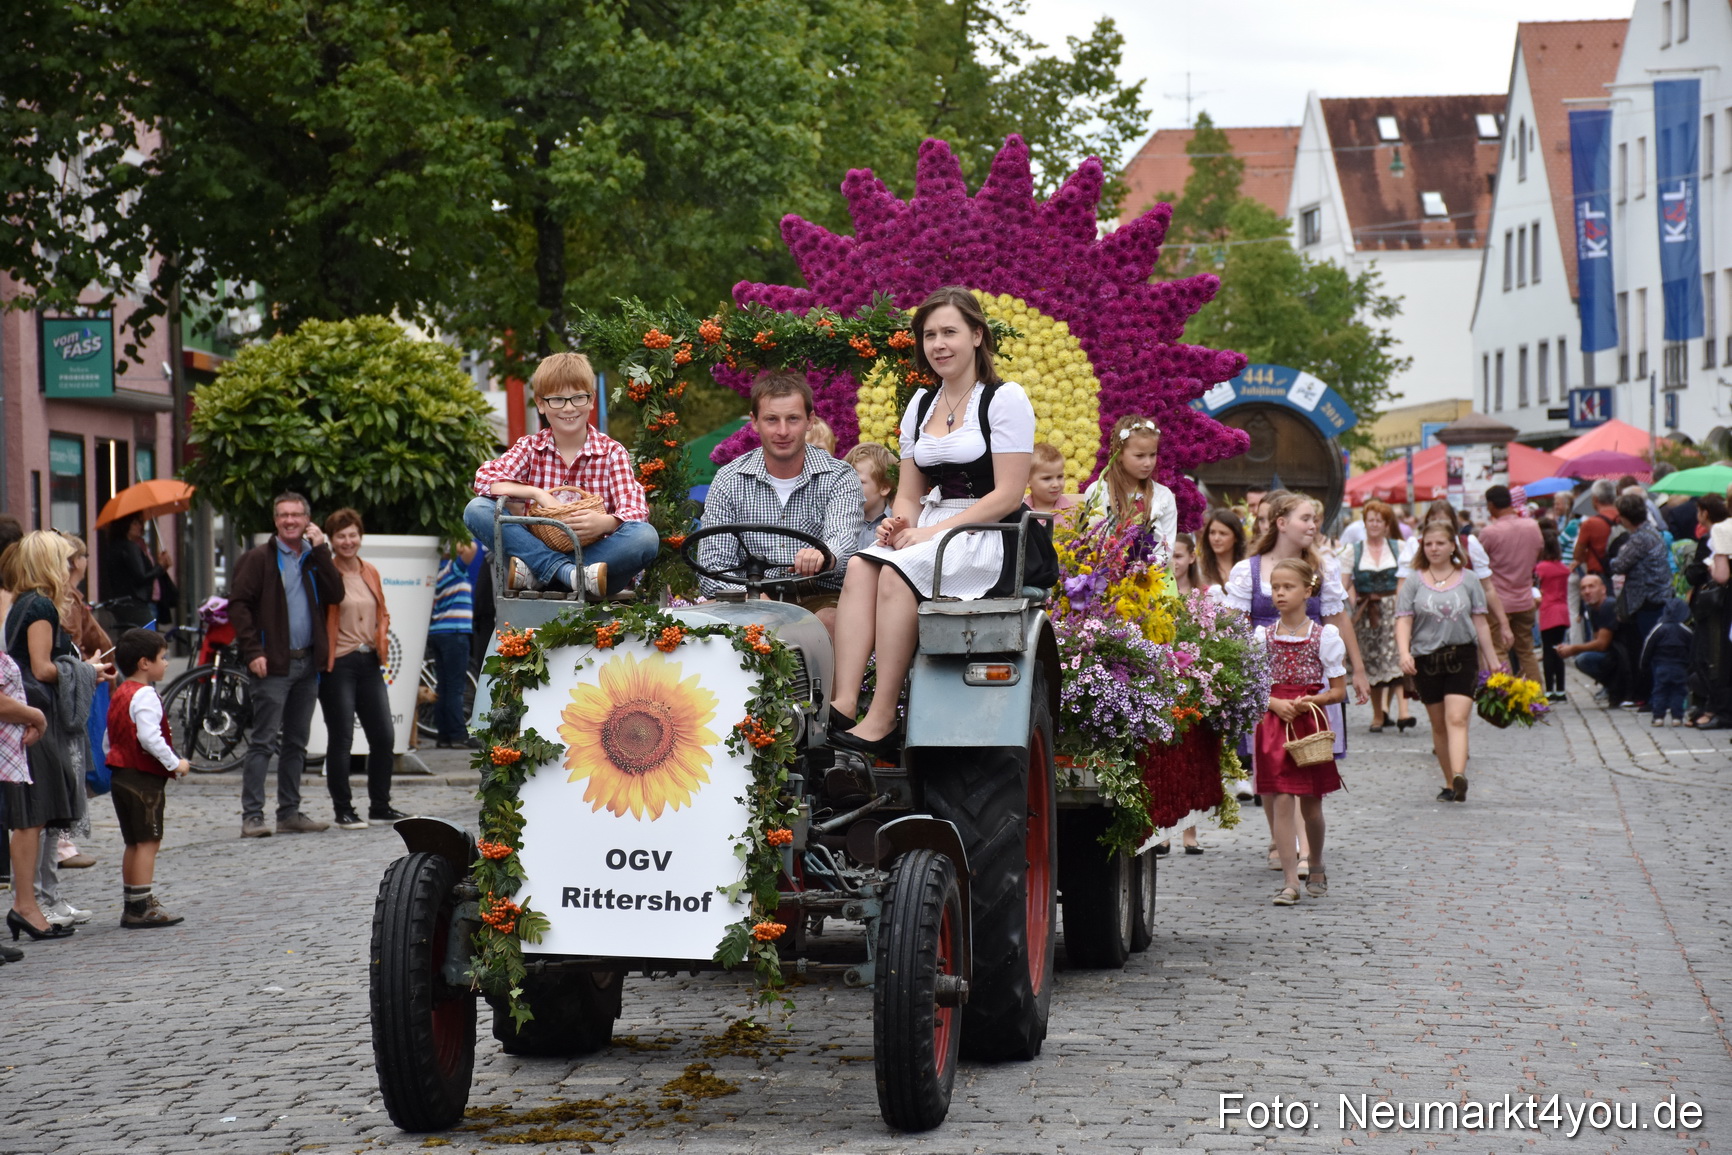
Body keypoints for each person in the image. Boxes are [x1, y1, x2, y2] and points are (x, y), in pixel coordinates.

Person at [829, 286, 1035, 755]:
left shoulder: (1003, 399)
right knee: (863, 564)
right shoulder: (921, 404)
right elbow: (907, 493)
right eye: (929, 335)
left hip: (987, 532)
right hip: (932, 525)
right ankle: (843, 702)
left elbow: (1008, 494)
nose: (938, 344)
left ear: (977, 335)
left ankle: (882, 718)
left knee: (897, 579)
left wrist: (928, 533)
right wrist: (897, 526)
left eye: (950, 332)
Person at [1220, 491, 1371, 874]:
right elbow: (1233, 632)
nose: (1313, 525)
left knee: (1307, 763)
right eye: (1306, 518)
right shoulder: (1248, 571)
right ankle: (1280, 838)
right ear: (1281, 522)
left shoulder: (1323, 567)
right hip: (1267, 681)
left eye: (1315, 519)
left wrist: (1357, 669)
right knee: (1270, 770)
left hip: (1311, 682)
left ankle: (1305, 851)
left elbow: (1338, 619)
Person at [466, 352, 657, 598]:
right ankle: (564, 573)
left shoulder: (611, 451)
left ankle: (547, 572)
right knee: (477, 509)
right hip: (545, 558)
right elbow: (483, 478)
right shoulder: (530, 447)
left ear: (591, 400)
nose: (568, 408)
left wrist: (606, 523)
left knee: (645, 537)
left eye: (577, 398)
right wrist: (536, 494)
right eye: (557, 399)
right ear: (541, 403)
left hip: (592, 569)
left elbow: (637, 510)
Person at [696, 370, 865, 637]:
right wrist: (754, 598)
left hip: (819, 595)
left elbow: (843, 541)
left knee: (831, 619)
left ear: (810, 421)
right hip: (751, 595)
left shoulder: (839, 476)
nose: (783, 431)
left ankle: (830, 681)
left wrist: (824, 555)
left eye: (793, 419)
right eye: (772, 420)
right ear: (754, 422)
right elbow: (713, 567)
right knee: (698, 623)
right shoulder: (729, 479)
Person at [3, 532, 104, 940]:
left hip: (27, 706)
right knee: (33, 813)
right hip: (35, 710)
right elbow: (42, 668)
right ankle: (27, 904)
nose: (69, 568)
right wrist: (86, 671)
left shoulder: (21, 602)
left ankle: (29, 903)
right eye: (64, 561)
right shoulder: (40, 603)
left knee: (35, 814)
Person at [229, 491, 343, 838]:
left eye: (296, 515)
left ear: (307, 520)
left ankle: (289, 812)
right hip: (272, 664)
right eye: (283, 515)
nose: (289, 521)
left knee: (296, 743)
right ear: (275, 520)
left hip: (307, 663)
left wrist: (322, 548)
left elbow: (336, 594)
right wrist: (253, 652)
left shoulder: (312, 556)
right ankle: (252, 816)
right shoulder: (258, 559)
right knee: (263, 741)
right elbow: (239, 606)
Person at [1251, 558, 1345, 906]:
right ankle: (1290, 881)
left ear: (1308, 591)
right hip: (1274, 722)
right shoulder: (1263, 636)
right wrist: (1273, 702)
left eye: (1288, 587)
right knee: (1281, 800)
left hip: (1308, 723)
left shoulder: (1324, 636)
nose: (1279, 593)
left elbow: (1339, 690)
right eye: (1275, 587)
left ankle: (1316, 862)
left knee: (1312, 804)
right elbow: (1254, 685)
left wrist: (1312, 699)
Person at [1395, 521, 1499, 804]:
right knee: (1438, 724)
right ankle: (1448, 782)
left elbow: (1480, 622)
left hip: (1461, 656)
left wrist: (1492, 660)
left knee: (1457, 718)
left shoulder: (1469, 580)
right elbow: (1404, 619)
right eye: (1428, 544)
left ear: (1453, 546)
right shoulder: (1414, 580)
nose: (1434, 548)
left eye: (1440, 543)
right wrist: (1404, 653)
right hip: (1426, 659)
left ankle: (1458, 775)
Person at [317, 508, 403, 829]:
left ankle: (380, 806)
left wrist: (381, 634)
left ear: (360, 536)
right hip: (339, 661)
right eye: (341, 536)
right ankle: (343, 809)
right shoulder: (327, 572)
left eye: (353, 534)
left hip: (370, 660)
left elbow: (383, 610)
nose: (348, 541)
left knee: (383, 735)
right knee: (341, 739)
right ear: (331, 540)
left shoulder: (370, 571)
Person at [103, 629, 190, 927]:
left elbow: (109, 736)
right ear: (144, 663)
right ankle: (141, 906)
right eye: (162, 657)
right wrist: (175, 763)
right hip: (143, 778)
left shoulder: (120, 693)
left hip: (120, 773)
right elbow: (150, 737)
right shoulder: (146, 695)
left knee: (133, 841)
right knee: (148, 842)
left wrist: (113, 756)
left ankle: (132, 902)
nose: (166, 663)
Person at [1396, 499, 1513, 653]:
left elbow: (1488, 587)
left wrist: (1503, 623)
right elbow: (1403, 589)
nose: (1439, 525)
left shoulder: (1468, 544)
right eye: (1434, 520)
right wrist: (1403, 623)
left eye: (1444, 520)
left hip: (1466, 626)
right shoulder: (1415, 545)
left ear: (1453, 522)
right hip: (1426, 626)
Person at [59, 533, 110, 871]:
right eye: (85, 556)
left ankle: (63, 840)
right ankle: (62, 843)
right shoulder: (65, 599)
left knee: (82, 763)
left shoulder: (73, 596)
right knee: (75, 763)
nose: (88, 561)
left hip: (89, 681)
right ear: (76, 561)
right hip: (78, 685)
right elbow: (71, 645)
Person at [1343, 499, 1410, 733]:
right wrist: (1353, 601)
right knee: (1373, 662)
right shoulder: (1353, 550)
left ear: (1386, 524)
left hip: (1393, 607)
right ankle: (1378, 714)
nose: (1374, 524)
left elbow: (1407, 580)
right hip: (1367, 611)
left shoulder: (1399, 548)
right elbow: (1345, 584)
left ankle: (1403, 711)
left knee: (1395, 658)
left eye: (1378, 520)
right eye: (1370, 520)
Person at [1159, 533, 1206, 857]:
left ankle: (1190, 830)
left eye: (1178, 555)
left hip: (1192, 679)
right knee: (1164, 756)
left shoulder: (1201, 595)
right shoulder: (1158, 591)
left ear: (1191, 557)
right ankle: (1163, 830)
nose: (1173, 562)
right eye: (1169, 556)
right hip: (1164, 676)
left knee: (1189, 757)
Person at [1607, 492, 1672, 708]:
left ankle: (1655, 699)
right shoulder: (1652, 533)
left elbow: (1618, 565)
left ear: (1625, 517)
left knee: (1650, 650)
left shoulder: (1639, 538)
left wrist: (1618, 555)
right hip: (1657, 598)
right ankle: (1652, 696)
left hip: (1647, 601)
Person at [1478, 484, 1545, 683]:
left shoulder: (1490, 532)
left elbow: (1478, 564)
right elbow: (1538, 554)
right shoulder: (1532, 526)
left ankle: (1506, 697)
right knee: (1526, 652)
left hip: (1498, 601)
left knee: (1499, 650)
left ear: (1491, 505)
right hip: (1525, 598)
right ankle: (1536, 699)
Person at [1078, 416, 1177, 550]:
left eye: (1152, 455)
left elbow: (1166, 547)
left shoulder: (1163, 496)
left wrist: (1143, 569)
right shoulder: (1099, 491)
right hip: (1103, 567)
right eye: (1139, 456)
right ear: (1119, 454)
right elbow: (1093, 541)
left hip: (1152, 569)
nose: (1148, 463)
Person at [1682, 494, 1730, 728]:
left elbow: (1718, 574)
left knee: (1710, 657)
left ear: (1705, 512)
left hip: (1717, 604)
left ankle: (1712, 708)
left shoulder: (1719, 533)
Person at [428, 534, 479, 749]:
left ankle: (444, 735)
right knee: (456, 687)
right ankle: (458, 734)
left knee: (444, 685)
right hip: (455, 632)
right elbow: (471, 548)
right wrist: (457, 531)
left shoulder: (435, 571)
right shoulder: (452, 568)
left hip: (438, 632)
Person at [99, 514, 172, 630]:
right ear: (125, 525)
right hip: (136, 604)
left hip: (122, 604)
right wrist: (160, 567)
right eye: (135, 523)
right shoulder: (130, 547)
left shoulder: (114, 547)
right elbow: (141, 577)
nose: (140, 526)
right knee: (148, 638)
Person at [1556, 573, 1621, 700]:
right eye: (1583, 588)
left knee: (1583, 659)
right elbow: (1596, 640)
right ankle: (1611, 685)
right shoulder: (1592, 609)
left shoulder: (1608, 605)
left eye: (1591, 587)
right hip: (1611, 653)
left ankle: (1614, 686)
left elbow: (1602, 644)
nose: (1587, 591)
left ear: (1603, 589)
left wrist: (1573, 649)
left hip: (1621, 655)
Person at [1641, 599, 1692, 727]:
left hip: (1661, 666)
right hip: (1680, 667)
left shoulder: (1659, 629)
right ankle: (1677, 717)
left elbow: (1648, 647)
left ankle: (1658, 717)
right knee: (1678, 691)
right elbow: (1694, 648)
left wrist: (1644, 664)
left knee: (1660, 691)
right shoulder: (1685, 630)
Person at [1535, 530, 1572, 701]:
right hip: (1562, 610)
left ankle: (1549, 689)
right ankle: (1561, 690)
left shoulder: (1541, 568)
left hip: (1548, 610)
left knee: (1548, 651)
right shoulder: (1563, 568)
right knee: (1559, 650)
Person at [844, 442, 898, 553]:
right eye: (845, 480)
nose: (848, 487)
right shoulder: (840, 521)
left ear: (884, 488)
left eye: (858, 481)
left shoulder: (894, 524)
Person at [1024, 442, 1078, 522]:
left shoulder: (1074, 513)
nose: (1056, 484)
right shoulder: (1021, 513)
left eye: (1060, 477)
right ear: (1027, 480)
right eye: (1047, 478)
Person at [1198, 507, 1245, 594]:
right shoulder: (1200, 569)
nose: (1216, 538)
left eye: (1223, 533)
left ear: (1236, 537)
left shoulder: (1247, 568)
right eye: (1212, 533)